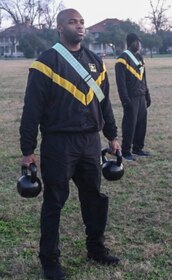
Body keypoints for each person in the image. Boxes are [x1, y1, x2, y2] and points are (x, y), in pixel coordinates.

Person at [19, 8, 121, 279]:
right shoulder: (45, 62)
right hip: (58, 143)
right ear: (60, 27)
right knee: (54, 201)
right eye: (72, 22)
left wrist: (112, 135)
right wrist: (27, 150)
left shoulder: (95, 61)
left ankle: (96, 248)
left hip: (89, 141)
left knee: (94, 198)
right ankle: (50, 261)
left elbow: (105, 102)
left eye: (82, 22)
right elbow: (32, 110)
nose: (79, 26)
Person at [115, 33, 151, 161]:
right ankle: (126, 151)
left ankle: (138, 148)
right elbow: (121, 83)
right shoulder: (122, 59)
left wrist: (147, 94)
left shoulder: (139, 58)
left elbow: (143, 78)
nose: (139, 44)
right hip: (131, 98)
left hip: (141, 96)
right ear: (130, 43)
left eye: (139, 42)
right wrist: (125, 100)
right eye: (137, 42)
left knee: (142, 124)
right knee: (130, 124)